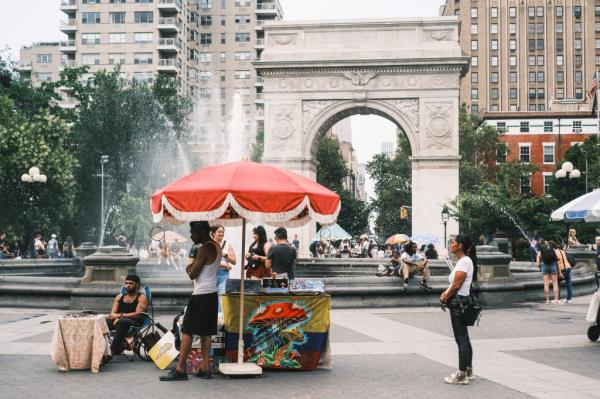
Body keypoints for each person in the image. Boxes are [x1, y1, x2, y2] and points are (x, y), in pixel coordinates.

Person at [160, 221, 221, 381]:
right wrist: (194, 266)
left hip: (200, 294)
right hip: (212, 293)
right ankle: (205, 367)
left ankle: (180, 370)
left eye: (192, 232)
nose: (191, 236)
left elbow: (192, 273)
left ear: (201, 231)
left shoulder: (204, 248)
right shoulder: (216, 246)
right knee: (206, 332)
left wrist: (191, 268)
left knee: (187, 329)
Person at [440, 234, 477, 385]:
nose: (451, 244)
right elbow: (455, 284)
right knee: (464, 338)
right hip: (461, 301)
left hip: (458, 303)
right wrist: (446, 292)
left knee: (460, 339)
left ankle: (461, 375)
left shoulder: (464, 262)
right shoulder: (464, 261)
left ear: (460, 245)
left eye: (453, 242)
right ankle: (468, 369)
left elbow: (456, 285)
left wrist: (444, 297)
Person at [106, 274, 148, 355]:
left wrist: (119, 317)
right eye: (126, 283)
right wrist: (117, 318)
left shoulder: (141, 297)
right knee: (102, 322)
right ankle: (100, 349)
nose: (128, 285)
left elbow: (137, 314)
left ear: (137, 284)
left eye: (131, 283)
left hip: (135, 323)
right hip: (118, 321)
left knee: (122, 322)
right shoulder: (119, 297)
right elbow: (112, 314)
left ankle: (112, 350)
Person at [211, 225, 236, 312]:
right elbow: (210, 261)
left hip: (224, 275)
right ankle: (214, 320)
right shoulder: (209, 244)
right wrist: (225, 265)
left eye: (222, 232)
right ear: (213, 233)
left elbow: (234, 261)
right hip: (211, 275)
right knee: (212, 298)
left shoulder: (227, 244)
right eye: (219, 232)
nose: (221, 233)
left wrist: (225, 255)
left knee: (222, 297)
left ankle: (221, 321)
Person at [536, 240, 560, 305]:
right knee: (555, 283)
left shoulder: (541, 249)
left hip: (544, 265)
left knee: (546, 283)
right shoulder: (552, 248)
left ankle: (547, 300)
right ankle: (556, 300)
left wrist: (538, 264)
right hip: (553, 264)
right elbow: (557, 258)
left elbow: (538, 258)